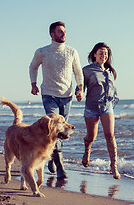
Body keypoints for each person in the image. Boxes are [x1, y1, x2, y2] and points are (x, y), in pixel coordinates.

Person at [29, 21, 84, 179]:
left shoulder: (72, 51)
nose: (64, 34)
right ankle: (60, 166)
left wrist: (80, 88)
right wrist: (33, 84)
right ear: (52, 35)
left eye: (64, 31)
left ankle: (51, 156)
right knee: (56, 128)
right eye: (60, 31)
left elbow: (78, 71)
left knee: (62, 132)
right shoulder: (42, 52)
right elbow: (33, 67)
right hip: (49, 95)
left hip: (67, 97)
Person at [79, 42, 121, 179]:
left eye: (106, 53)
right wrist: (79, 92)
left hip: (106, 106)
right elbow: (81, 86)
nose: (104, 55)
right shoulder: (86, 70)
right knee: (91, 137)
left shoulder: (109, 71)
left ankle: (114, 167)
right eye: (101, 52)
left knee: (110, 135)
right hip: (91, 107)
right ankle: (87, 151)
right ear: (95, 54)